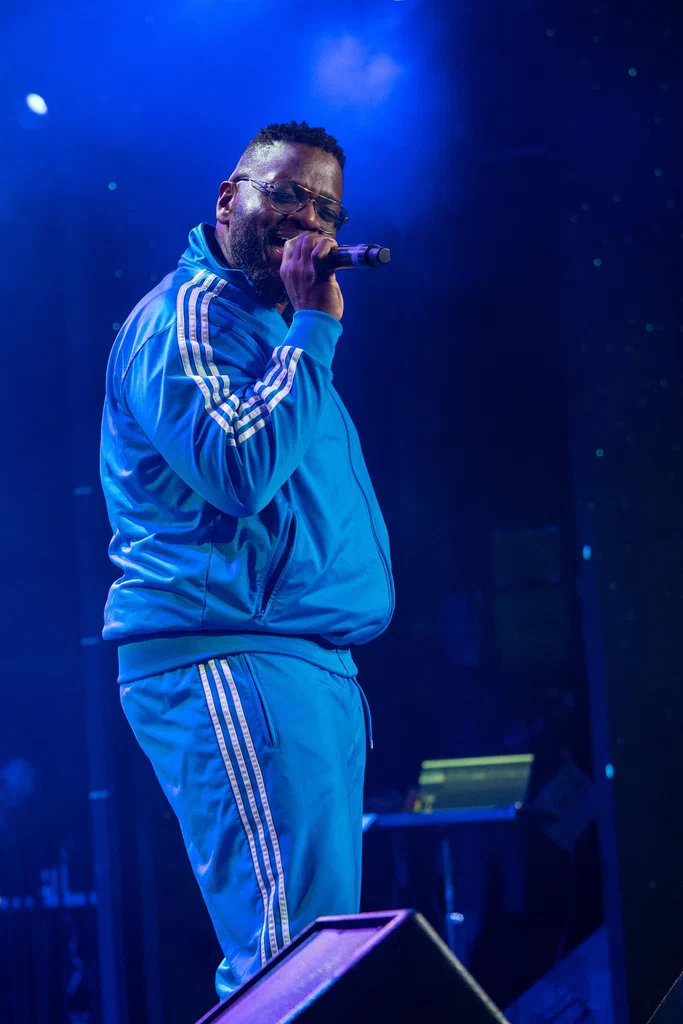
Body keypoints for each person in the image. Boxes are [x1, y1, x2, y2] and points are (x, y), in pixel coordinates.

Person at [100, 121, 395, 999]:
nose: (305, 218)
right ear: (230, 198)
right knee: (288, 957)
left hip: (303, 663)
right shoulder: (188, 316)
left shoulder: (271, 331)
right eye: (284, 193)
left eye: (324, 207)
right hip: (227, 654)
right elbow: (236, 472)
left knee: (316, 953)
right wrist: (312, 329)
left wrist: (301, 332)